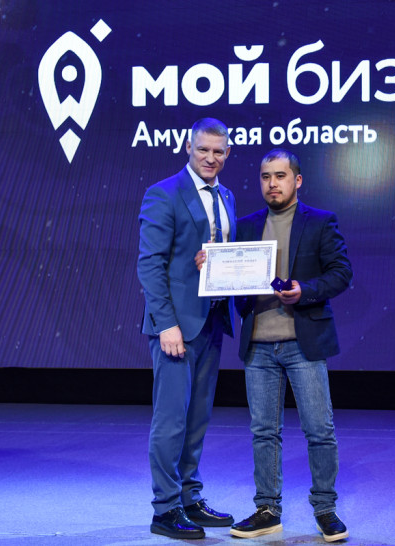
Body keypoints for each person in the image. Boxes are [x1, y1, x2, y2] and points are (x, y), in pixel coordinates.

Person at [230, 148, 353, 542]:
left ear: (296, 180)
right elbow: (233, 278)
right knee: (264, 433)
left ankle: (325, 509)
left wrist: (305, 290)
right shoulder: (246, 226)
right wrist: (212, 267)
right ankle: (267, 510)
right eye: (266, 177)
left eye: (280, 176)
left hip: (304, 343)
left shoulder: (320, 221)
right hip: (258, 345)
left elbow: (341, 273)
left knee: (319, 430)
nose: (272, 184)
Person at [137, 118, 237, 540]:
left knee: (197, 419)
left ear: (227, 153)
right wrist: (166, 325)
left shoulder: (226, 196)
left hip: (212, 322)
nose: (210, 158)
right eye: (203, 150)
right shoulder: (164, 193)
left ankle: (189, 498)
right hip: (176, 328)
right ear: (188, 148)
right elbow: (150, 265)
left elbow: (222, 255)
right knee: (171, 421)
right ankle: (165, 509)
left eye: (218, 152)